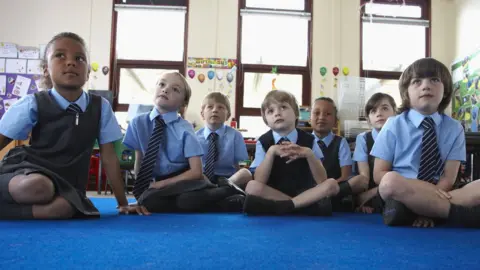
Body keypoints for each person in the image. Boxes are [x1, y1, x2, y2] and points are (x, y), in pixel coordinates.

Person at [0, 32, 146, 220]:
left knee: (64, 209)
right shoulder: (33, 103)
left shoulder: (100, 107)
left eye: (79, 58)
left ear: (87, 73)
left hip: (67, 185)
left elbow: (109, 157)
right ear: (46, 69)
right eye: (60, 55)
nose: (70, 62)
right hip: (29, 172)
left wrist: (123, 204)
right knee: (39, 187)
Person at [372, 57, 480, 228]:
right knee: (389, 181)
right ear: (406, 93)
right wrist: (421, 190)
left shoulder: (455, 128)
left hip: (441, 191)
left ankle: (418, 211)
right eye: (417, 81)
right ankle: (454, 214)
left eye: (434, 80)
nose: (426, 86)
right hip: (402, 189)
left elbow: (448, 177)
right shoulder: (393, 124)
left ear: (445, 91)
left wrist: (429, 198)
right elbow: (379, 174)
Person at [123, 71, 216, 213]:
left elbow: (196, 171)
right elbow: (140, 161)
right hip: (161, 185)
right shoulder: (138, 123)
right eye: (162, 84)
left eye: (175, 89)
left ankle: (222, 192)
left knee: (166, 199)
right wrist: (140, 195)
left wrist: (160, 185)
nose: (165, 89)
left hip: (186, 181)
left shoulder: (185, 128)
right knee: (153, 199)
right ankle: (219, 197)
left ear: (183, 103)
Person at [243, 90, 339, 216]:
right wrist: (271, 153)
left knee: (332, 184)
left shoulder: (310, 140)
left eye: (283, 107)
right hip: (274, 193)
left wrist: (309, 154)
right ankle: (301, 207)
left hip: (305, 193)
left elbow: (322, 179)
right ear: (266, 120)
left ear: (296, 113)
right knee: (251, 186)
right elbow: (260, 180)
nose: (277, 113)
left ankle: (286, 206)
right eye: (270, 111)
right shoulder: (263, 142)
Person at [351, 93, 396, 214]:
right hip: (370, 193)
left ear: (395, 113)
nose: (379, 113)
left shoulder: (403, 138)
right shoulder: (363, 139)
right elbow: (364, 177)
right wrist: (366, 200)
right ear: (368, 120)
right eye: (373, 111)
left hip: (397, 190)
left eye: (385, 108)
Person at [310, 97, 357, 211]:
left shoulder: (341, 142)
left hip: (333, 189)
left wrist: (326, 188)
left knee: (358, 180)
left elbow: (345, 176)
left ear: (335, 120)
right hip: (308, 190)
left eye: (327, 114)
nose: (321, 117)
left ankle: (323, 200)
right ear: (309, 118)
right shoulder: (302, 141)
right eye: (316, 113)